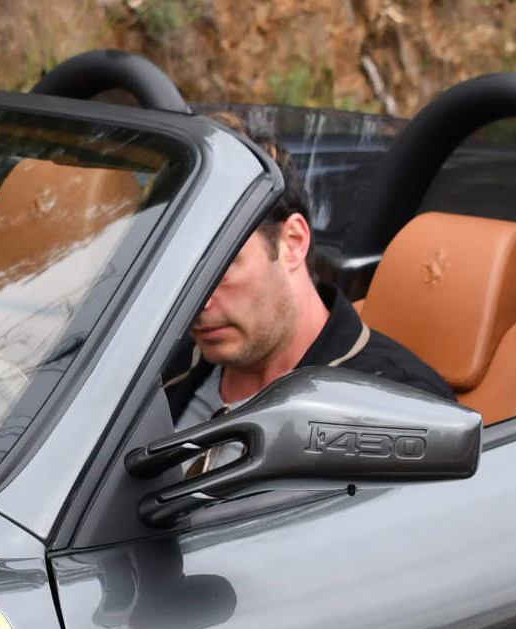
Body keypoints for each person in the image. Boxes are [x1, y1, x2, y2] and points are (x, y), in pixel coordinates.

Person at [168, 157, 450, 427]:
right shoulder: (162, 368)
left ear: (292, 241)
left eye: (220, 269)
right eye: (178, 276)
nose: (197, 303)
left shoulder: (398, 408)